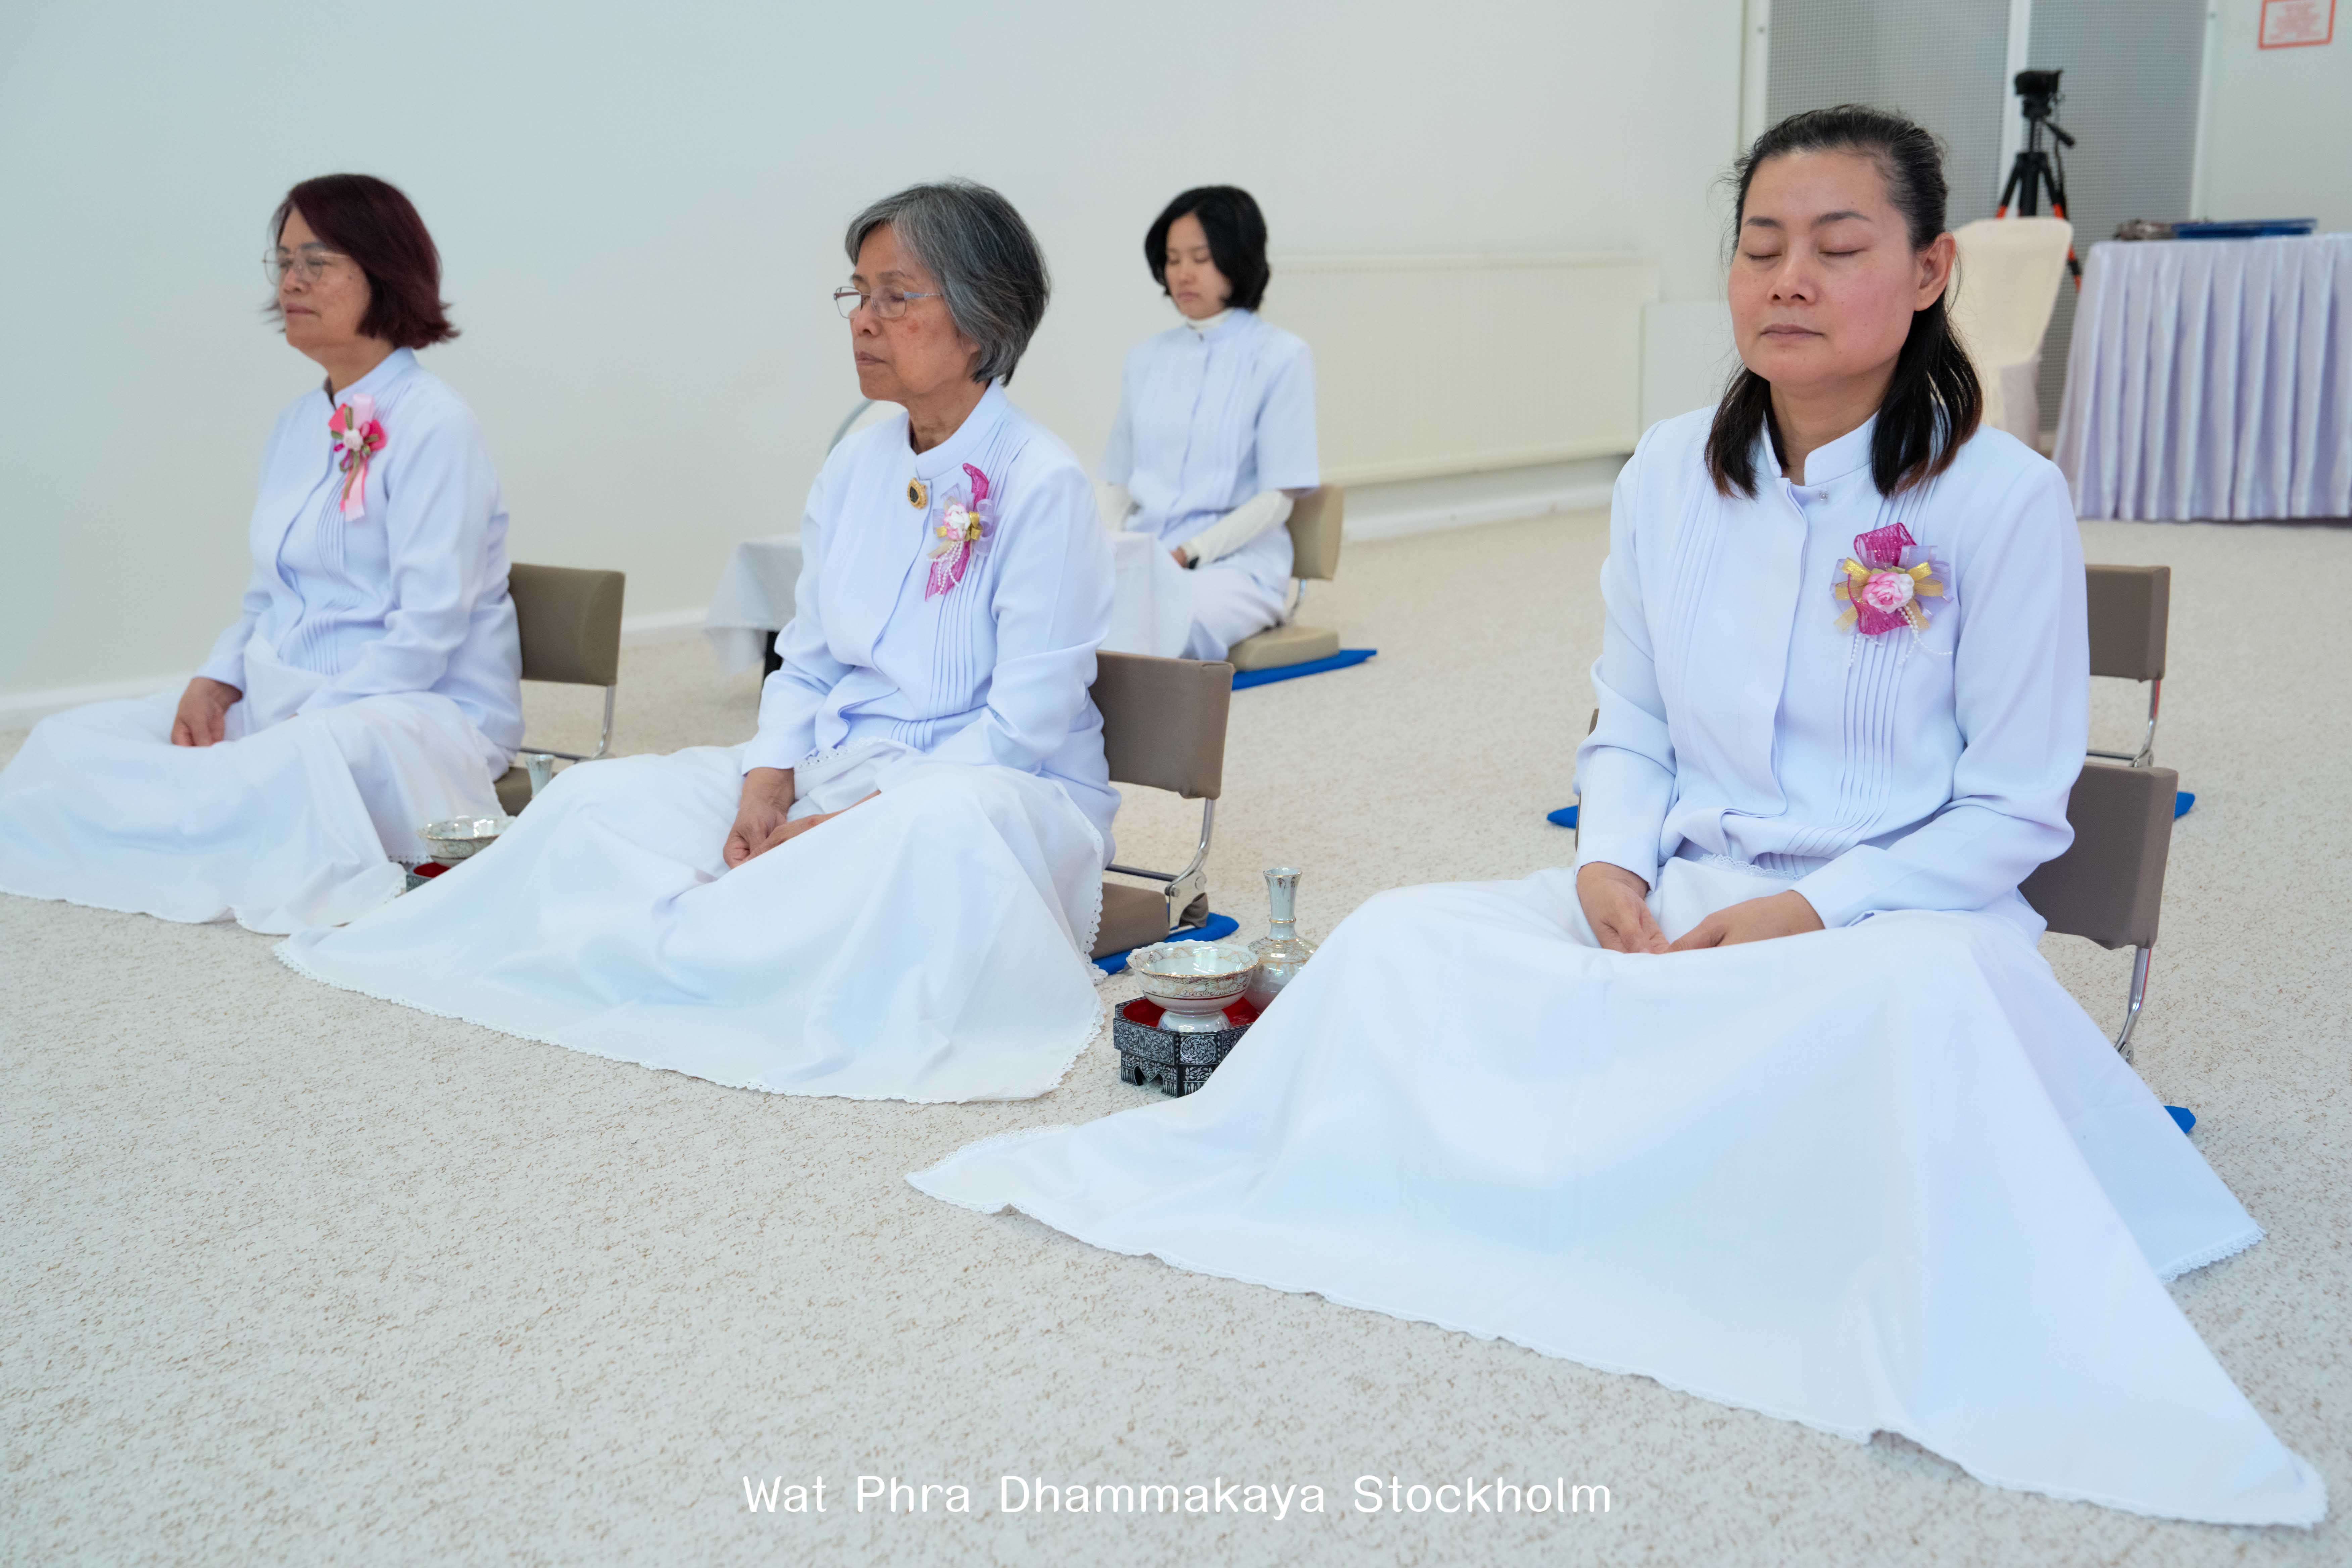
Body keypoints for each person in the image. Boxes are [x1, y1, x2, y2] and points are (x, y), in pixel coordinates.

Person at [912, 112, 2326, 1525]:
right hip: (1681, 881)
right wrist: (1607, 862)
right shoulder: (1667, 474)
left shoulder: (2003, 496)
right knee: (1402, 940)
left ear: (1929, 270)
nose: (1789, 279)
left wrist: (1804, 910)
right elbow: (1630, 727)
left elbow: (2016, 805)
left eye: (1839, 248)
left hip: (1902, 919)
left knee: (1888, 1011)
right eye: (1761, 247)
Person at [280, 182, 1118, 1105]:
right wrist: (767, 783)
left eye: (896, 296)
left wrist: (843, 821)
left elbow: (1024, 726)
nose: (864, 323)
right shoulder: (856, 464)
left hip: (990, 794)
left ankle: (713, 944)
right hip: (837, 766)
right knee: (598, 801)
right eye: (858, 295)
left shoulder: (1042, 482)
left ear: (978, 318)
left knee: (923, 831)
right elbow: (806, 658)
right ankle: (707, 945)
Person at [0, 175, 520, 934]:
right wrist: (218, 678)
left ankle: (213, 817)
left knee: (284, 767)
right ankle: (215, 812)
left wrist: (309, 716)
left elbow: (429, 628)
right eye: (283, 262)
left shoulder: (438, 424)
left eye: (318, 261)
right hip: (288, 702)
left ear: (385, 272)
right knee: (64, 742)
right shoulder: (295, 426)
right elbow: (267, 595)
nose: (292, 282)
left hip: (409, 712)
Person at [1101, 186, 1318, 661]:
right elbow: (1120, 483)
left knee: (1158, 625)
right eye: (1173, 259)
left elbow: (1277, 500)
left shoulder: (1282, 357)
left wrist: (1186, 555)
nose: (1183, 273)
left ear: (1236, 260)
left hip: (1237, 567)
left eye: (1200, 257)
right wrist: (1104, 549)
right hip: (1146, 554)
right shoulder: (1145, 359)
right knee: (1068, 613)